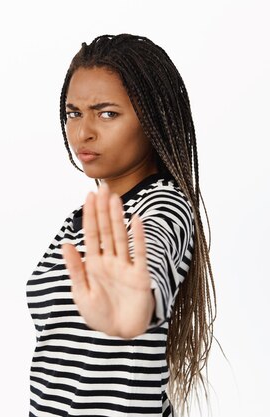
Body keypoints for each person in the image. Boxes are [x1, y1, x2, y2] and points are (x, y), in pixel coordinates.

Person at [26, 34, 218, 417]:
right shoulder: (80, 222)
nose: (84, 132)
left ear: (152, 118)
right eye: (73, 113)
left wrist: (136, 308)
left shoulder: (162, 205)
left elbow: (151, 267)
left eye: (107, 113)